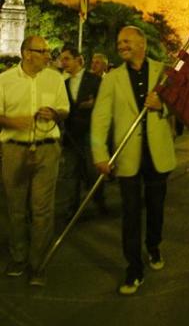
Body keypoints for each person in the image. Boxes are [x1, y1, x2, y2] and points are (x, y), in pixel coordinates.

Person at [91, 26, 176, 296]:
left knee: (155, 207)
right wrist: (100, 155)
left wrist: (161, 105)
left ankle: (153, 244)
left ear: (141, 44)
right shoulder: (112, 79)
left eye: (126, 41)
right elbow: (100, 119)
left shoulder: (163, 72)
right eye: (119, 42)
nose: (121, 45)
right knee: (130, 214)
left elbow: (179, 103)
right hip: (127, 155)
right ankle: (134, 268)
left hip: (157, 154)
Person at [0, 35, 69, 286]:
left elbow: (64, 108)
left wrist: (54, 113)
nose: (48, 56)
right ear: (27, 53)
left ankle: (38, 262)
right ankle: (18, 256)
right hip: (14, 150)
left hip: (47, 149)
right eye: (42, 51)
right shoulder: (4, 81)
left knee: (42, 209)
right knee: (16, 208)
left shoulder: (55, 78)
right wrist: (12, 121)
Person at [59, 44, 106, 219]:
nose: (63, 63)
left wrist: (95, 104)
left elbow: (105, 106)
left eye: (66, 58)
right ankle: (73, 209)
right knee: (71, 174)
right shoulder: (63, 83)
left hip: (90, 134)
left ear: (78, 59)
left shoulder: (94, 80)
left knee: (93, 171)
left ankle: (99, 201)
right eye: (62, 59)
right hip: (71, 135)